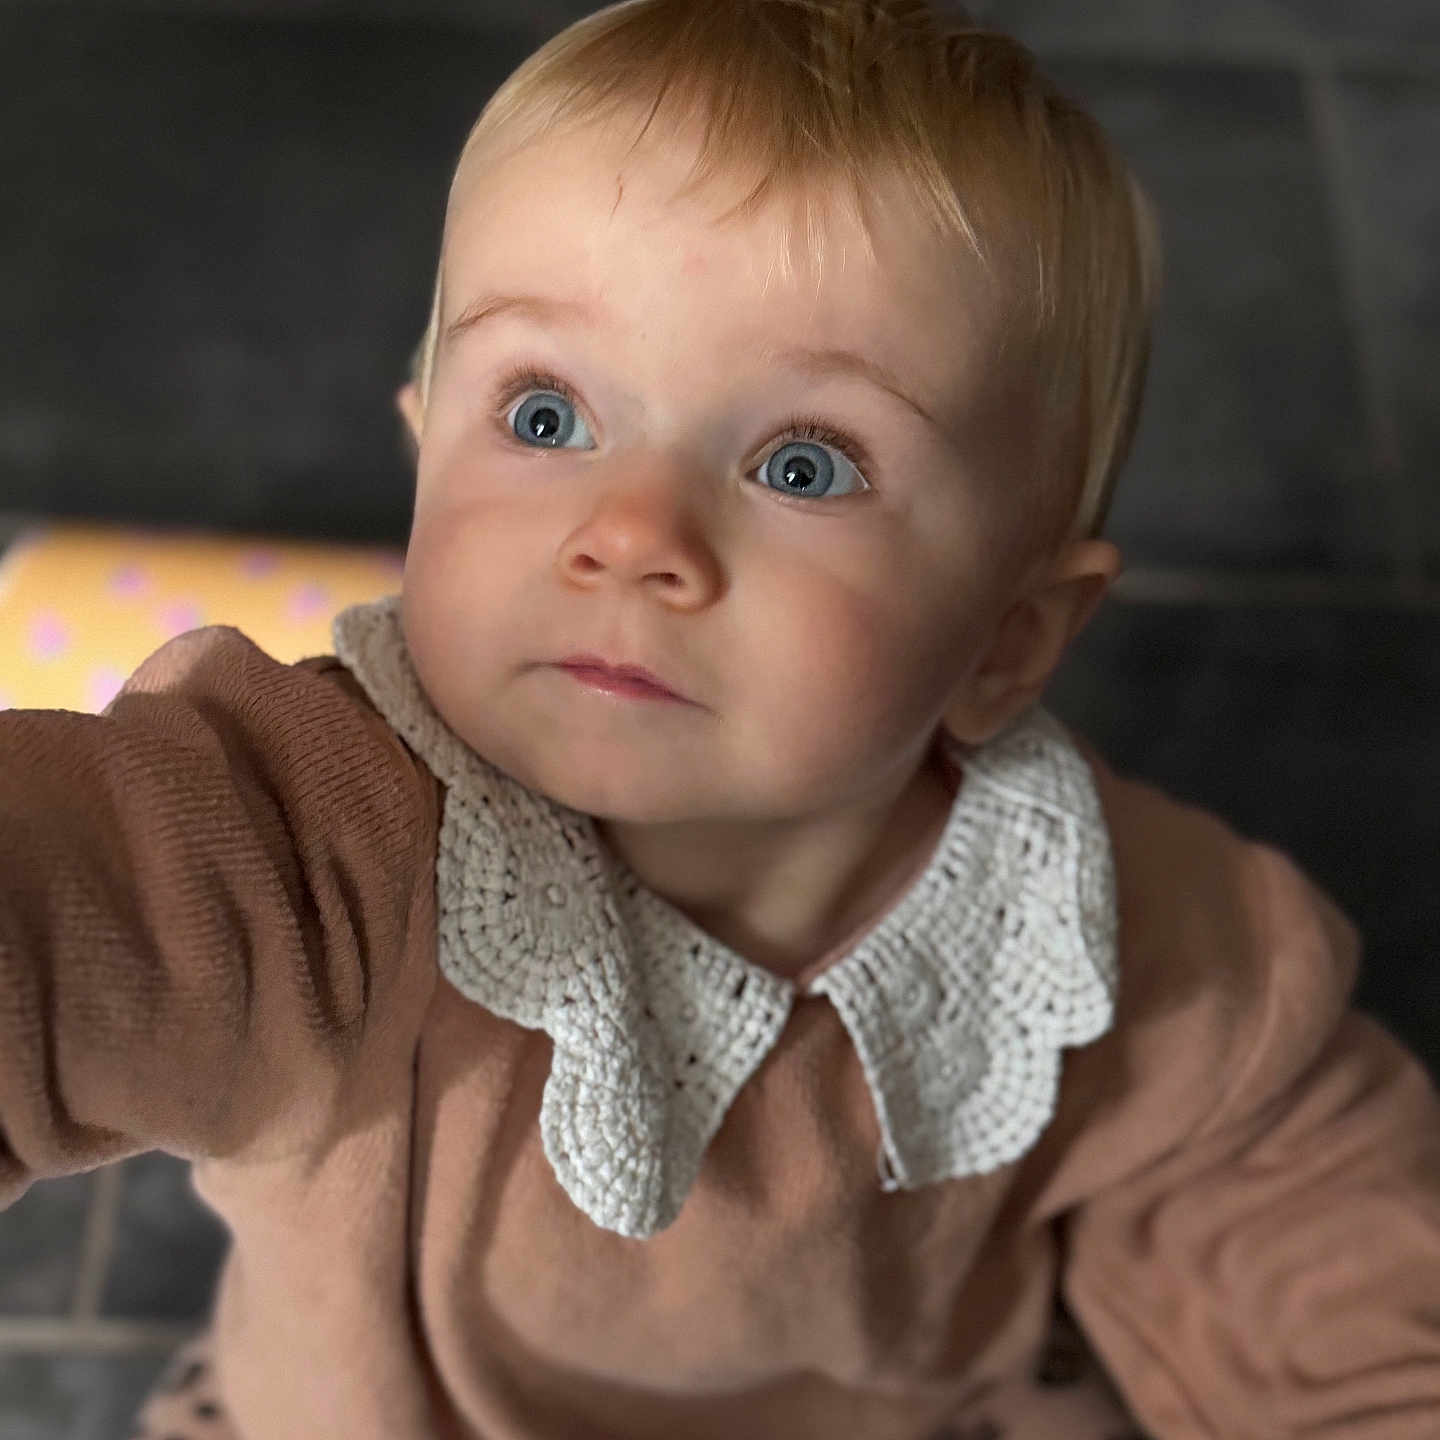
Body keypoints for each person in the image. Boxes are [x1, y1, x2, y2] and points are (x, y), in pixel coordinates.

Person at [3, 2, 1438, 1437]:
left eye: (803, 464)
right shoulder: (323, 845)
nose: (630, 536)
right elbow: (80, 904)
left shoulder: (1090, 924)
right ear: (423, 453)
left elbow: (1305, 1196)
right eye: (549, 417)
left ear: (1010, 640)